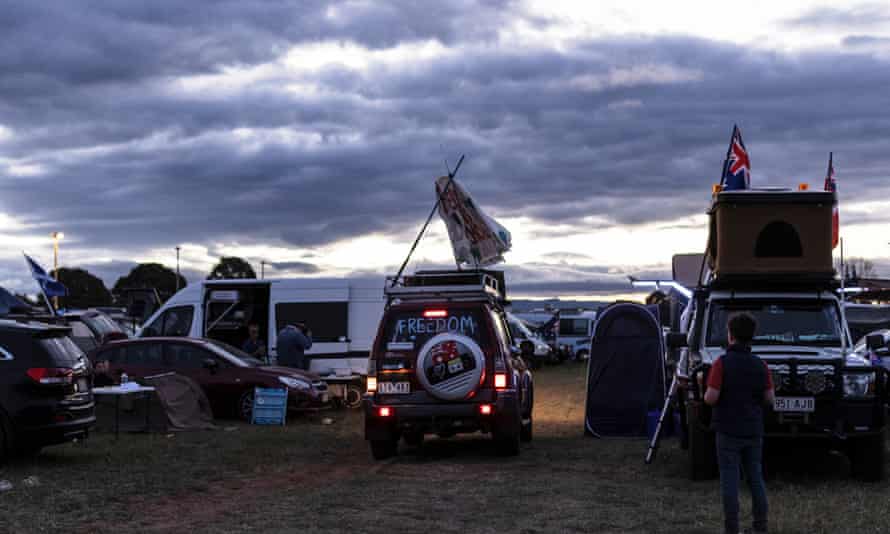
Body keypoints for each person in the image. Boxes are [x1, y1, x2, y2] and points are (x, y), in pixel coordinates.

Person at [704, 313, 775, 534]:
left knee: (729, 480)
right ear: (752, 336)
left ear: (730, 335)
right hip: (753, 430)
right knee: (755, 478)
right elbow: (769, 399)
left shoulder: (721, 363)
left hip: (727, 430)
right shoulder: (761, 365)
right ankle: (760, 526)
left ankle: (732, 528)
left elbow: (711, 398)